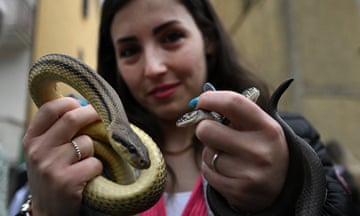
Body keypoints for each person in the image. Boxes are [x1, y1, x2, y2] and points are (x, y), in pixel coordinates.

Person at [19, 0, 349, 215]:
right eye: (130, 50)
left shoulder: (289, 137)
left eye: (171, 37)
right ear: (114, 63)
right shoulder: (83, 159)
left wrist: (287, 190)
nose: (153, 67)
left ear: (207, 39)